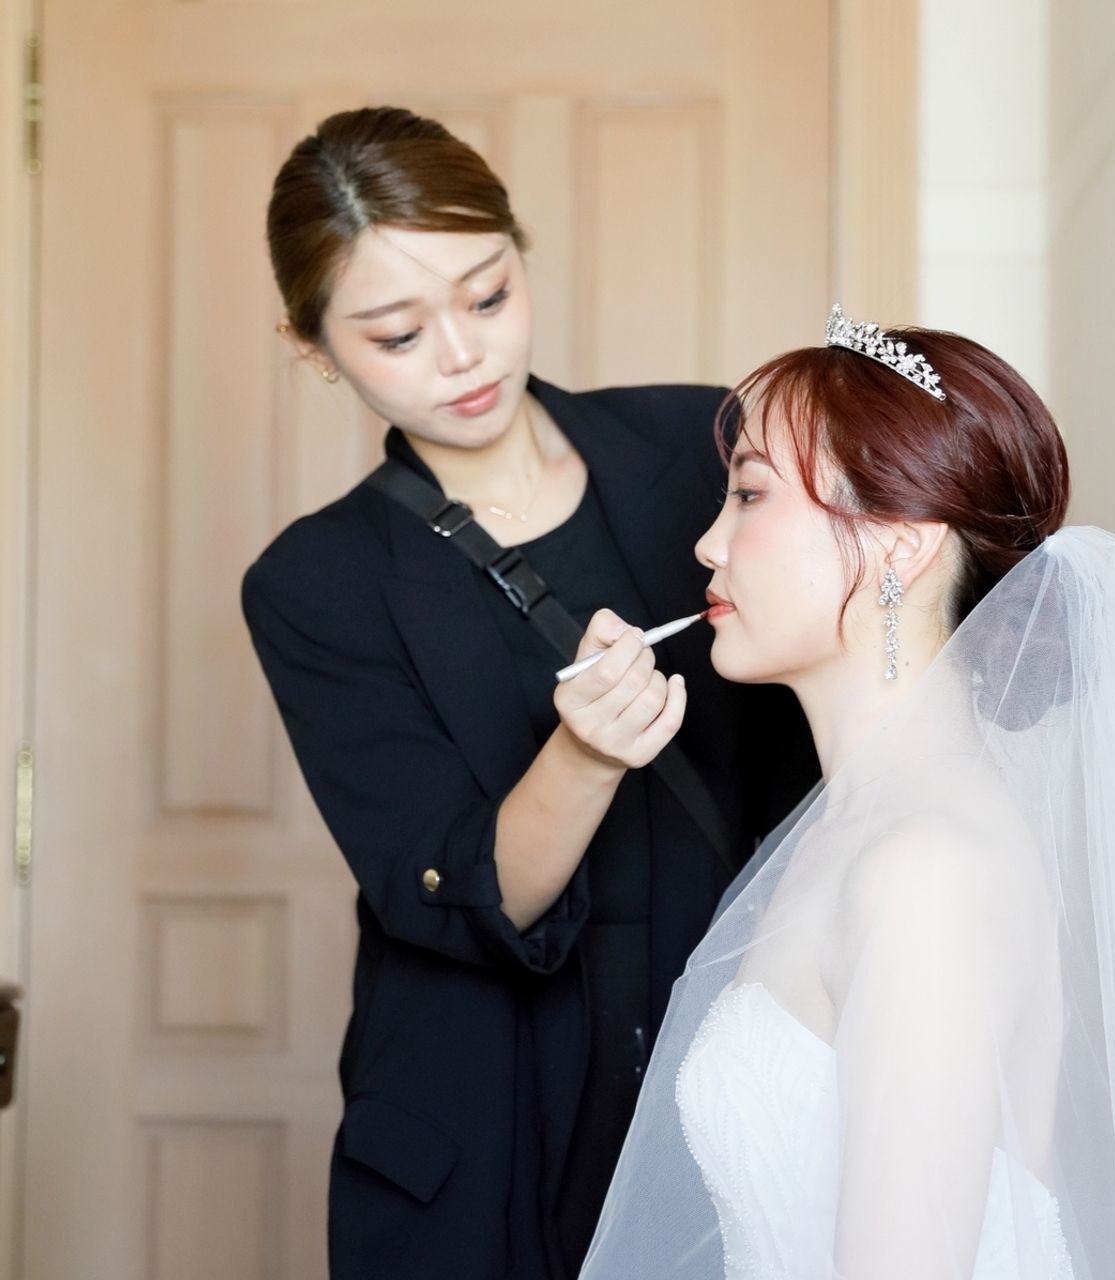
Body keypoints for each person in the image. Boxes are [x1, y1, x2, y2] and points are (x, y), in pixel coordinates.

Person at [581, 308, 1115, 1278]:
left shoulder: (926, 869)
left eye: (748, 494)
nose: (707, 543)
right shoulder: (851, 826)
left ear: (899, 548)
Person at [241, 106, 817, 1280]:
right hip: (475, 1119)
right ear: (313, 347)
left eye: (488, 295)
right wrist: (583, 754)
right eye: (398, 333)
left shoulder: (702, 443)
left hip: (728, 1066)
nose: (462, 355)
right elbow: (449, 891)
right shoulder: (314, 582)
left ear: (519, 254)